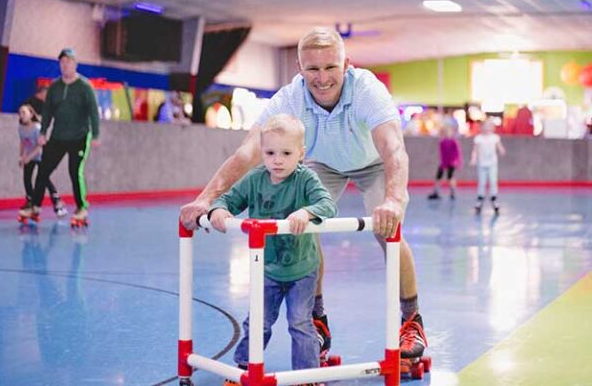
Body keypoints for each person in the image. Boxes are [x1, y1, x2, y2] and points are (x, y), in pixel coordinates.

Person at [181, 27, 428, 370]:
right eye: (313, 69)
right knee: (303, 226)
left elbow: (393, 149)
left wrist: (394, 201)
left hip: (372, 162)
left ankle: (411, 320)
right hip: (322, 163)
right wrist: (205, 199)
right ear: (300, 69)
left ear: (346, 65)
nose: (322, 77)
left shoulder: (367, 90)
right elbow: (248, 152)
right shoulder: (290, 97)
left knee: (386, 229)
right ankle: (318, 317)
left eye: (331, 67)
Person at [209, 115, 337, 384]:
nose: (277, 160)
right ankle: (244, 368)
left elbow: (328, 204)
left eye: (286, 153)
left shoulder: (305, 179)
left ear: (300, 154)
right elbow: (227, 199)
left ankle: (308, 376)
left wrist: (307, 211)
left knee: (300, 322)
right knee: (258, 321)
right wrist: (219, 209)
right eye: (270, 153)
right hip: (265, 268)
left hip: (302, 270)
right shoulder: (255, 179)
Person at [19, 48, 100, 225]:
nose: (65, 65)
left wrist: (96, 134)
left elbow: (93, 112)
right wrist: (42, 133)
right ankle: (35, 206)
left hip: (79, 136)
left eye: (68, 62)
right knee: (43, 170)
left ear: (75, 64)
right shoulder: (54, 87)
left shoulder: (85, 87)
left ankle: (81, 207)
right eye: (62, 62)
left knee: (74, 171)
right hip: (58, 136)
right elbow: (47, 112)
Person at [17, 104, 67, 218]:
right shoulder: (20, 128)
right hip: (30, 155)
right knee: (27, 178)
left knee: (44, 180)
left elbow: (39, 147)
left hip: (41, 155)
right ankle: (30, 201)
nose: (21, 115)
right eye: (20, 113)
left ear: (31, 114)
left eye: (24, 112)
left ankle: (57, 201)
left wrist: (28, 158)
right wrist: (22, 157)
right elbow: (23, 142)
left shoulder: (37, 128)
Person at [470, 118, 505, 214]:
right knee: (482, 182)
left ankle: (494, 199)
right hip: (481, 164)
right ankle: (479, 200)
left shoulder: (495, 138)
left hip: (492, 164)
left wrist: (501, 150)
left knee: (493, 181)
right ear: (481, 127)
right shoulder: (478, 138)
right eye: (485, 126)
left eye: (489, 126)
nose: (487, 128)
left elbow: (499, 146)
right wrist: (473, 158)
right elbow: (475, 150)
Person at [427, 125, 462, 200]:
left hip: (451, 162)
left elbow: (457, 153)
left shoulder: (453, 142)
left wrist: (456, 162)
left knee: (450, 177)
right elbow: (442, 153)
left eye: (448, 132)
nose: (446, 134)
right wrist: (443, 163)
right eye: (445, 132)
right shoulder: (442, 142)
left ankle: (453, 192)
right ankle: (436, 192)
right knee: (438, 177)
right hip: (444, 162)